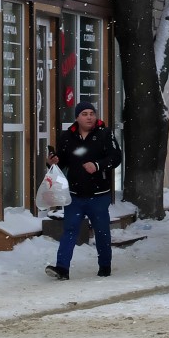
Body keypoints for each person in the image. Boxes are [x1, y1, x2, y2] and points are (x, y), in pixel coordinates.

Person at [45, 99, 123, 280]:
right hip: (75, 194)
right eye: (84, 114)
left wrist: (97, 165)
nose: (89, 117)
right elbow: (63, 161)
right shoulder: (67, 136)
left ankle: (105, 266)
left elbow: (116, 157)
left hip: (99, 194)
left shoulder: (104, 134)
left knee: (102, 231)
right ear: (77, 118)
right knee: (70, 230)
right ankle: (62, 269)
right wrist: (53, 161)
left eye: (92, 114)